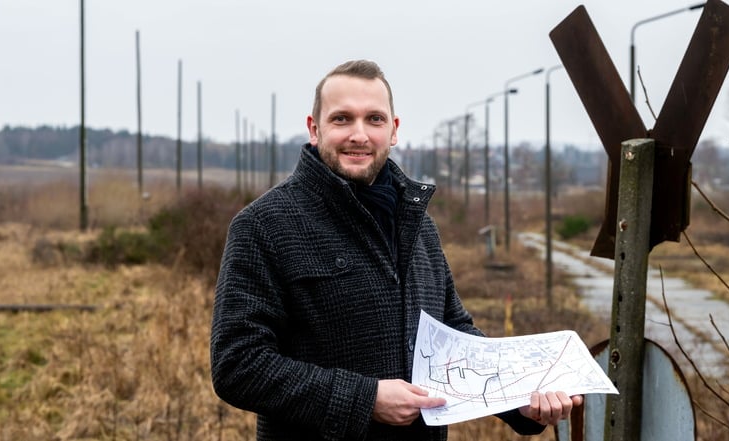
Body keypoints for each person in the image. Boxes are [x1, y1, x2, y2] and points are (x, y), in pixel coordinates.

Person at [210, 59, 583, 440]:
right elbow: (238, 365)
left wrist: (519, 401)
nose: (359, 134)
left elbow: (454, 335)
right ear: (314, 128)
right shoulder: (265, 225)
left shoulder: (417, 223)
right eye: (342, 119)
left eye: (374, 119)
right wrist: (365, 399)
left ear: (394, 130)